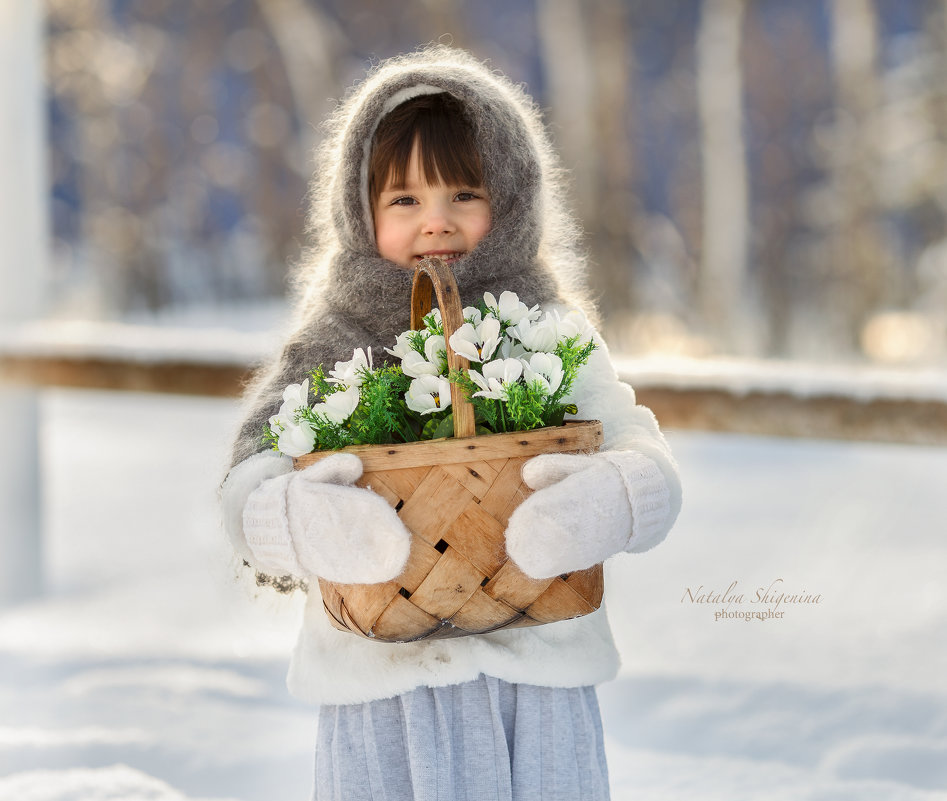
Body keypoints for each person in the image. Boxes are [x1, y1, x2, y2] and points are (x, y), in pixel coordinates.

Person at [220, 45, 682, 801]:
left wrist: (620, 496)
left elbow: (636, 441)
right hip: (382, 690)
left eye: (463, 194)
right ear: (358, 209)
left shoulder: (546, 326)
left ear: (510, 197)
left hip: (534, 679)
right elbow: (248, 474)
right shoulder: (332, 334)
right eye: (404, 200)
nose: (436, 223)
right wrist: (290, 517)